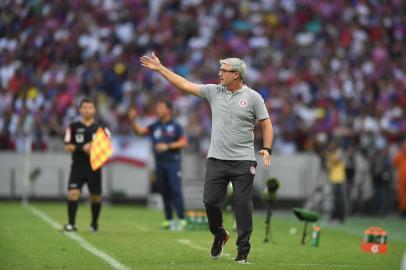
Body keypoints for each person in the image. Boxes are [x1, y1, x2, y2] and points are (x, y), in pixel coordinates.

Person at [140, 53, 273, 264]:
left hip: (243, 160)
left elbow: (266, 124)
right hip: (216, 159)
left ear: (236, 75)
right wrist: (160, 68)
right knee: (210, 202)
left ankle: (243, 250)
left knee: (241, 203)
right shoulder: (214, 92)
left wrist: (266, 148)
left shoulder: (254, 97)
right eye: (220, 70)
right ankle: (220, 234)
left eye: (224, 70)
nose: (220, 73)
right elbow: (184, 84)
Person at [128, 99, 188, 229]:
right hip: (159, 163)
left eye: (160, 107)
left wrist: (168, 146)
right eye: (157, 107)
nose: (158, 109)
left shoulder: (176, 125)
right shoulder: (155, 125)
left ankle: (182, 219)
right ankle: (168, 219)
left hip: (173, 162)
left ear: (168, 110)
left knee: (175, 190)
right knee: (164, 191)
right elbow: (140, 132)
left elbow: (183, 142)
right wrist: (133, 121)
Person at [63, 98, 110, 232]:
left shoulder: (101, 128)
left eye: (90, 107)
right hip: (78, 166)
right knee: (73, 193)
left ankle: (94, 224)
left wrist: (95, 148)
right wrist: (82, 148)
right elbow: (67, 147)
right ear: (80, 110)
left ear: (94, 110)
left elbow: (107, 146)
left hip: (94, 167)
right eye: (84, 107)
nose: (87, 110)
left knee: (96, 197)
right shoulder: (73, 127)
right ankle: (71, 224)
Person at [324, 141, 346, 223]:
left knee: (338, 200)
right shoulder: (332, 153)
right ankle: (335, 216)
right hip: (333, 178)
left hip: (339, 178)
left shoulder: (339, 152)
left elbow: (335, 160)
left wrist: (327, 154)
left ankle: (339, 217)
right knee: (335, 199)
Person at [392, 140, 406, 217]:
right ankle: (403, 212)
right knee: (401, 196)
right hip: (401, 180)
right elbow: (393, 163)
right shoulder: (400, 155)